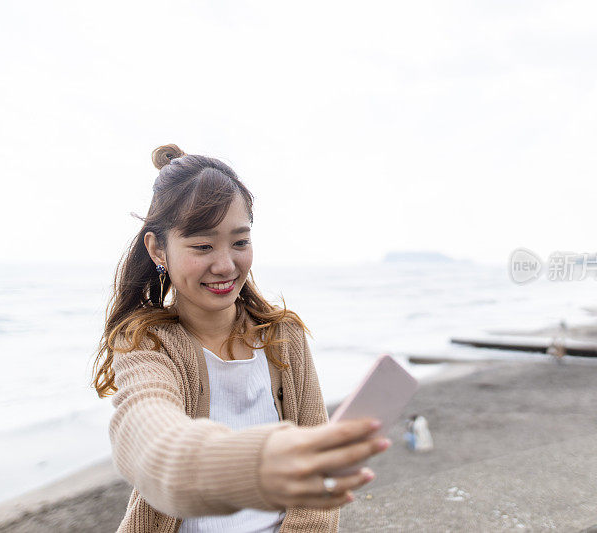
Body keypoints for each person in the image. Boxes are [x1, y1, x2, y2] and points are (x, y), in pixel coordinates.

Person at [91, 144, 390, 532]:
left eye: (240, 242)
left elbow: (318, 498)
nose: (225, 264)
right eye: (202, 246)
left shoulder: (285, 337)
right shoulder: (147, 344)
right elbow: (151, 445)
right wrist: (258, 465)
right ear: (157, 249)